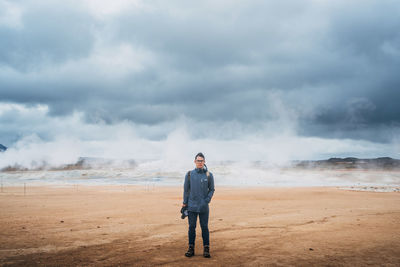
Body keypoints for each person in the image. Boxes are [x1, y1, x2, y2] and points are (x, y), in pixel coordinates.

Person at [182, 152, 215, 258]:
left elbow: (212, 189)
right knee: (192, 227)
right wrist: (184, 203)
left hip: (204, 207)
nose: (200, 162)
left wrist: (207, 200)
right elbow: (186, 190)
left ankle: (206, 249)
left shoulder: (209, 175)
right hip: (191, 206)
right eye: (198, 160)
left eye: (201, 161)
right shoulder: (189, 174)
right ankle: (191, 249)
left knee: (204, 227)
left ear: (204, 162)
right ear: (195, 162)